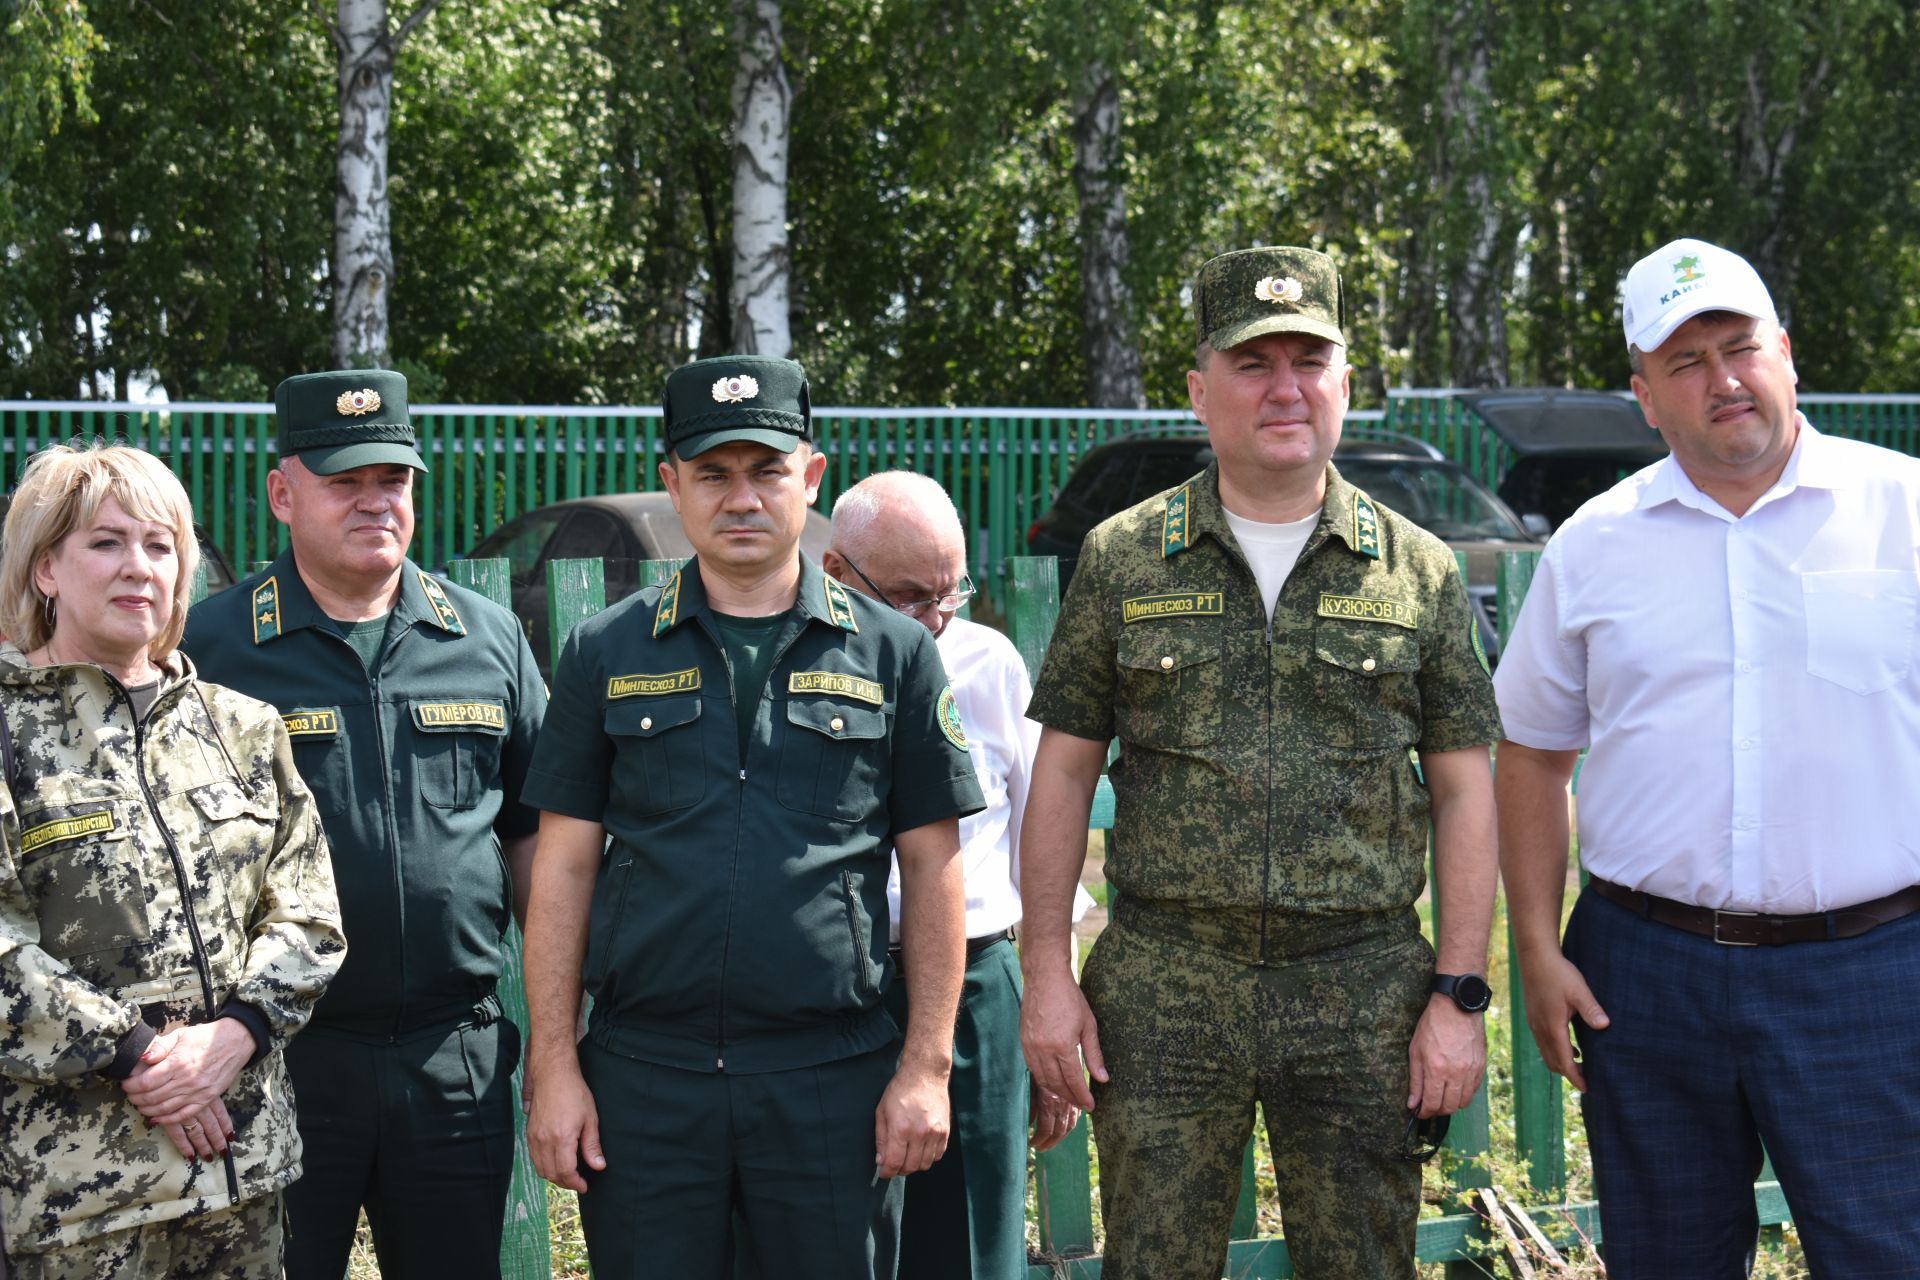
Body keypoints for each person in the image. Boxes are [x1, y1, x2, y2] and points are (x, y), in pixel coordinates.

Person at [1018, 246, 1504, 1279]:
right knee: (1150, 1259)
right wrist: (1049, 974)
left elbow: (1465, 787)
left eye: (1309, 359)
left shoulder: (1419, 568)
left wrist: (1458, 997)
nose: (1285, 387)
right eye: (1253, 362)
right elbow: (1062, 770)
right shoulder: (1122, 555)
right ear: (1201, 391)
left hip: (1360, 983)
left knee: (1364, 1261)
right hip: (1166, 978)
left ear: (1344, 381)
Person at [1494, 237, 1920, 1276]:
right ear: (1644, 395)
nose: (1722, 379)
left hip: (1874, 967)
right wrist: (1537, 948)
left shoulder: (1903, 508)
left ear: (1786, 351)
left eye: (1739, 346)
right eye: (1685, 362)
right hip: (1649, 972)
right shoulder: (1593, 546)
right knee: (1667, 1257)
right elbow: (1532, 754)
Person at [520, 355, 983, 1280]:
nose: (741, 498)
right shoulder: (604, 651)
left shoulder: (893, 653)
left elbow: (933, 869)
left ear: (810, 478)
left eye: (766, 470)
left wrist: (925, 1068)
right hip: (648, 1078)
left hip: (829, 1078)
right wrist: (556, 1066)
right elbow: (564, 867)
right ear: (673, 485)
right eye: (713, 473)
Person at [183, 370, 547, 1280]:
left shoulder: (488, 640)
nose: (374, 501)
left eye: (392, 480)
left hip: (452, 1057)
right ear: (283, 493)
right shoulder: (212, 648)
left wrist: (557, 1040)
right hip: (283, 1062)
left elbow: (540, 843)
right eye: (344, 481)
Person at [0, 443, 345, 1278]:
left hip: (243, 1174)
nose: (138, 568)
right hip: (77, 1199)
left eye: (161, 546)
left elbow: (308, 913)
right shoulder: (10, 735)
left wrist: (236, 1035)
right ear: (47, 568)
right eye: (106, 543)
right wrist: (144, 1057)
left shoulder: (243, 727)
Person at [823, 471, 1088, 1280]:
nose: (936, 618)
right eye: (909, 598)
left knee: (972, 1242)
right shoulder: (798, 663)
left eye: (952, 590)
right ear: (836, 573)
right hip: (838, 994)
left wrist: (1050, 1014)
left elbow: (1042, 851)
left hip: (974, 986)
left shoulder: (987, 663)